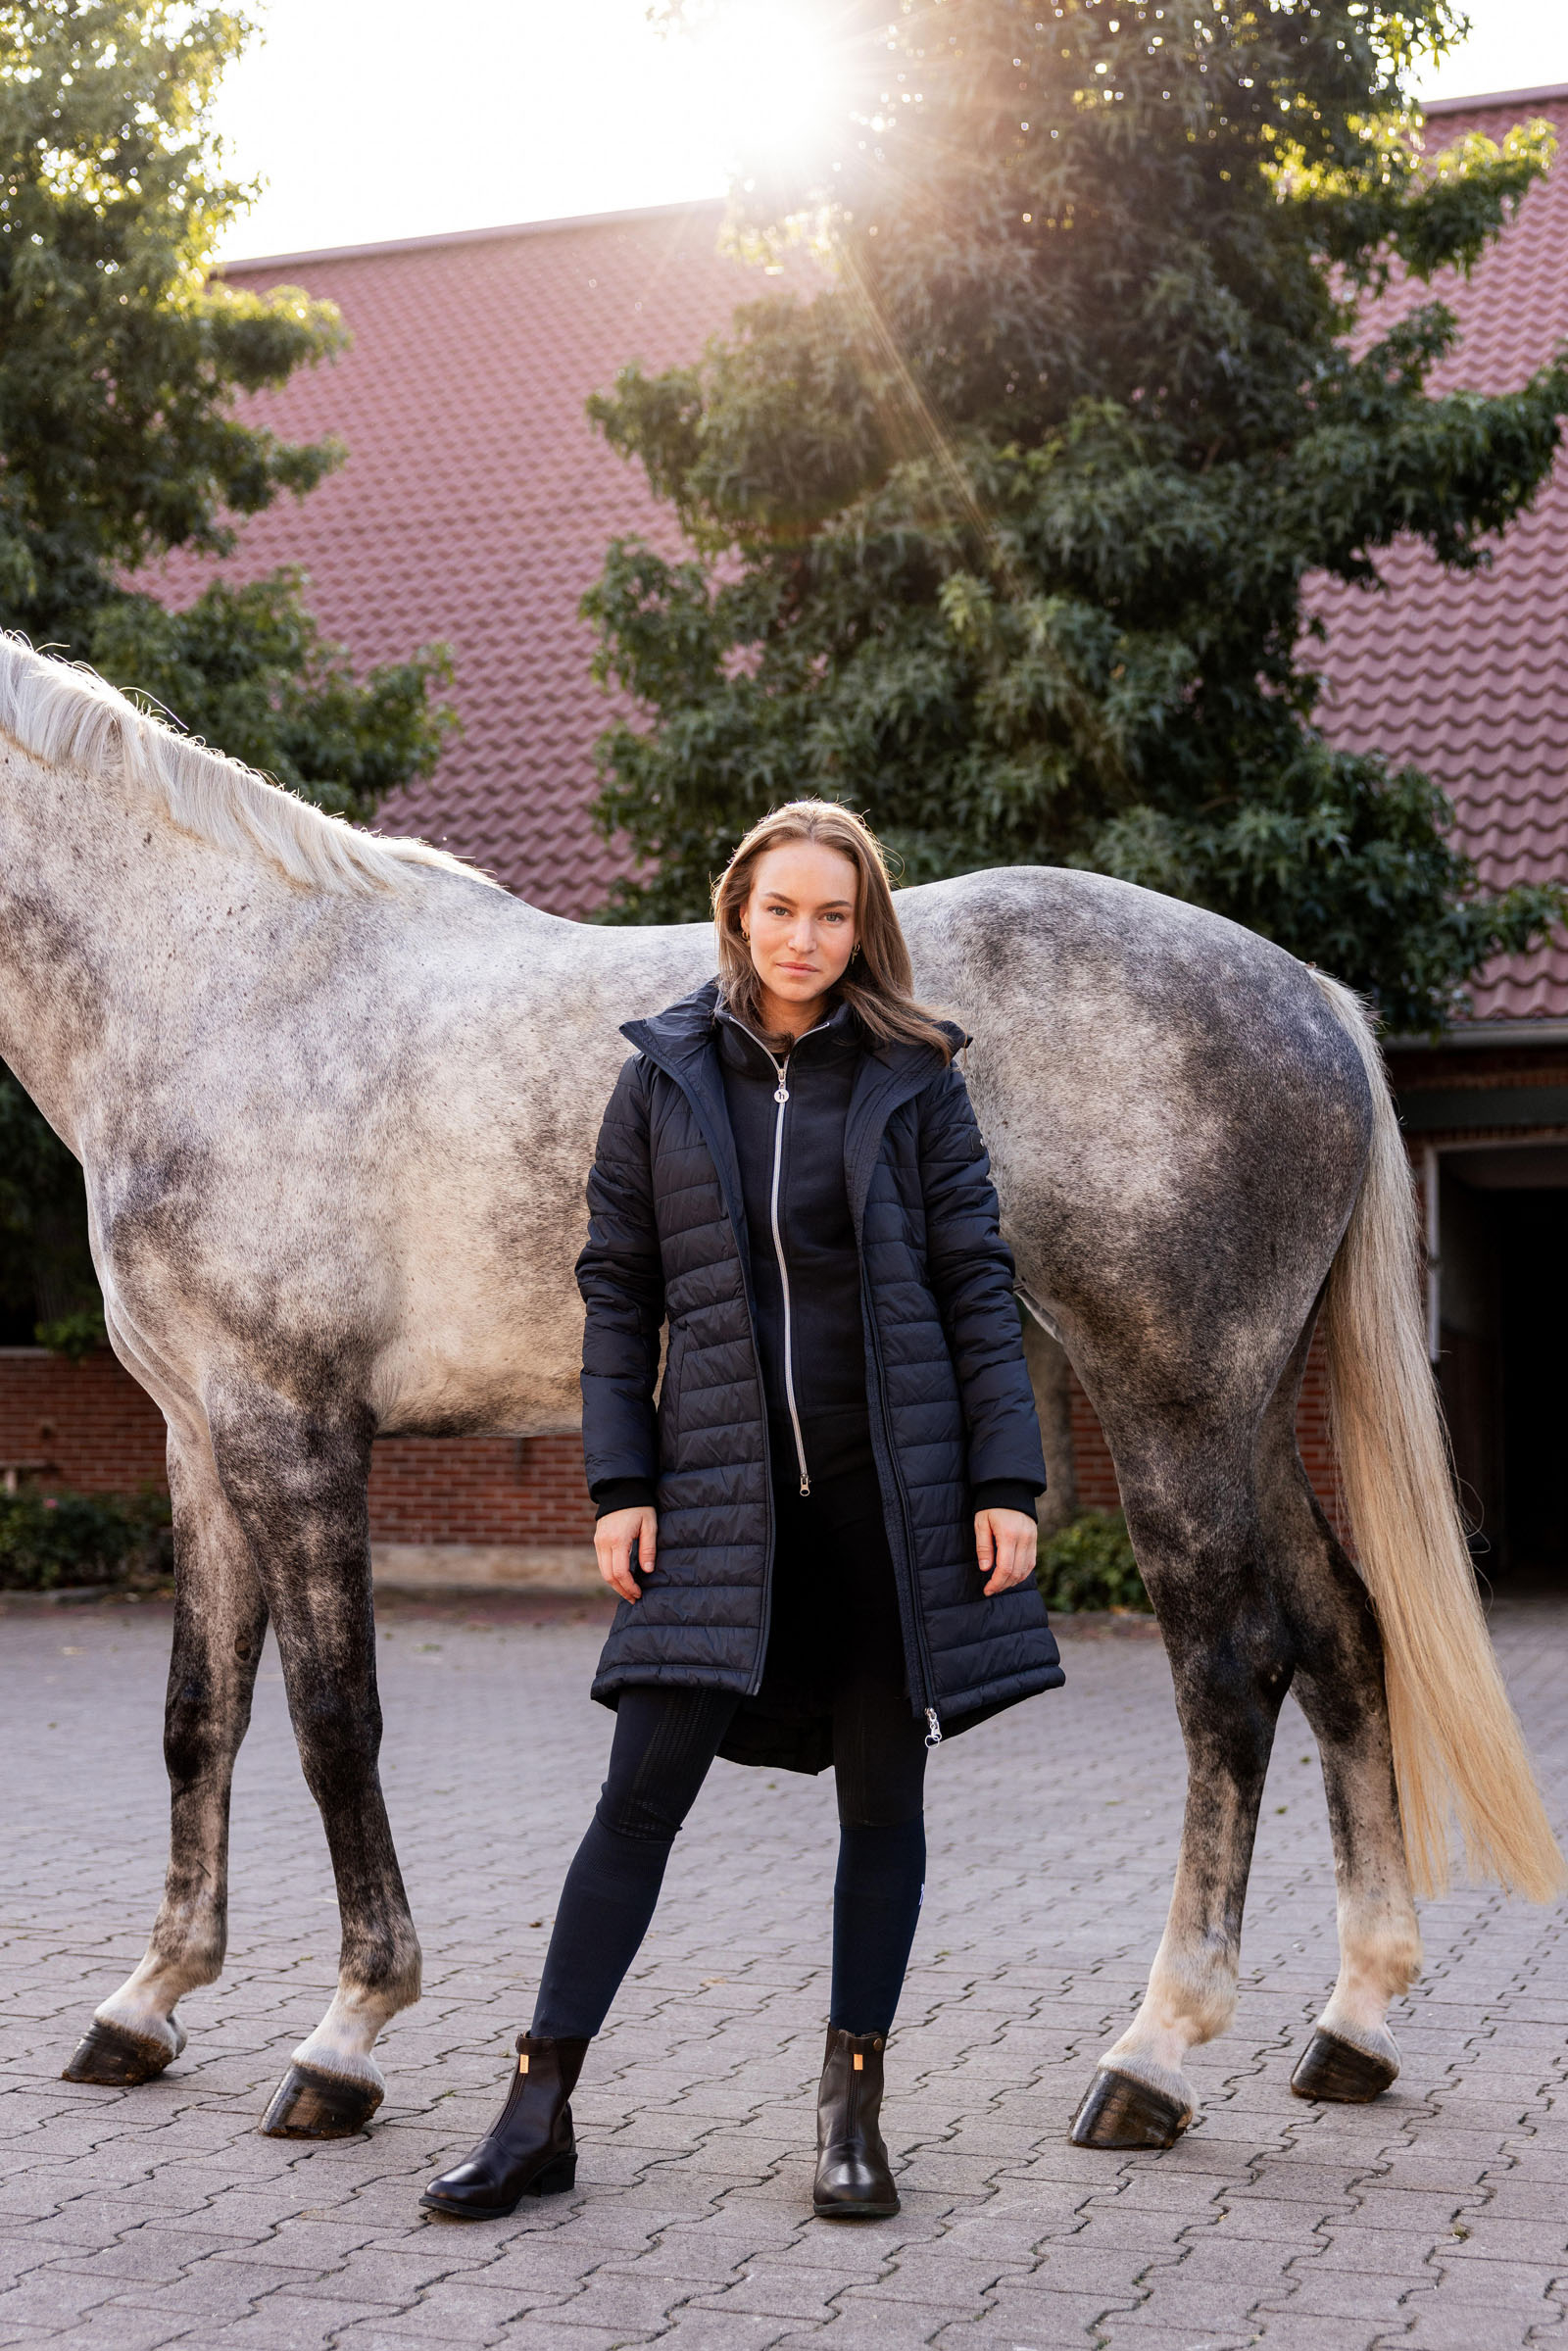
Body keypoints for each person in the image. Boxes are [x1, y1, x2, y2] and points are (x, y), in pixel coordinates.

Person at [422, 801, 1063, 2224]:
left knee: (883, 1804)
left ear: (863, 927)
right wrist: (620, 1484)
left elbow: (976, 1282)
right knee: (636, 1802)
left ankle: (852, 2109)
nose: (803, 937)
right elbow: (618, 1292)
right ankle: (537, 2108)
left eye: (832, 914)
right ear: (737, 911)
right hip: (718, 1502)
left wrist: (1004, 1483)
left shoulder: (915, 1078)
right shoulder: (661, 1077)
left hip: (891, 1502)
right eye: (781, 908)